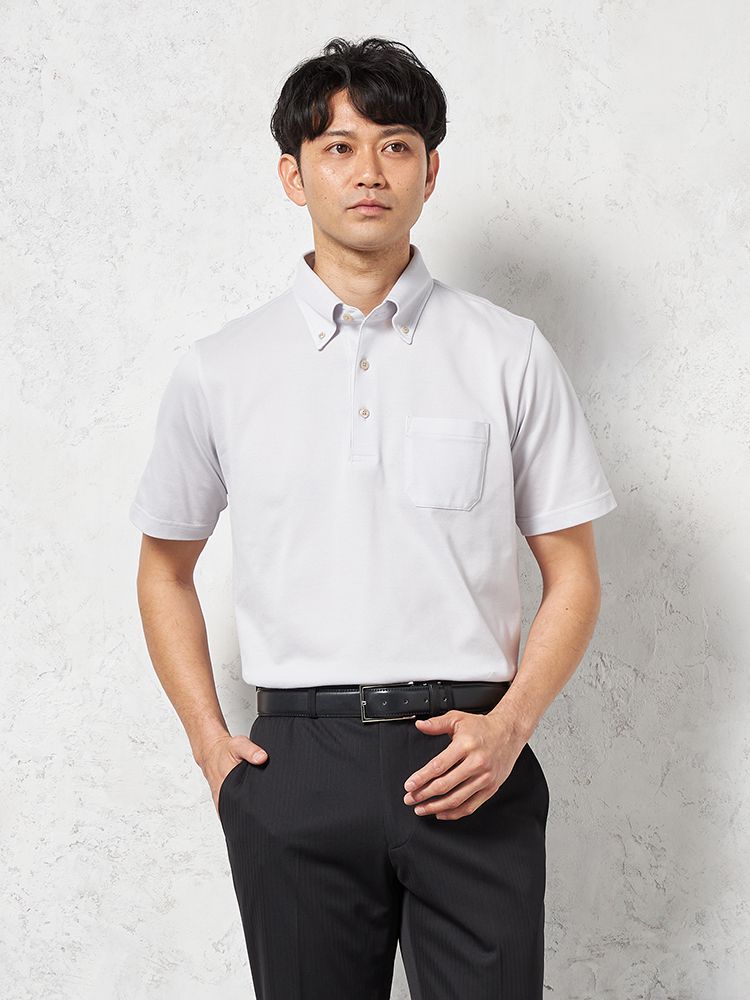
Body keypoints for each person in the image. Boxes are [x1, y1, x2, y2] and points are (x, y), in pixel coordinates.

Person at [129, 35, 617, 1000]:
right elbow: (163, 569)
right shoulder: (221, 369)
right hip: (297, 766)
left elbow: (574, 572)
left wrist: (511, 725)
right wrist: (213, 750)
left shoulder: (507, 352)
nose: (369, 172)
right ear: (293, 175)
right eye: (339, 148)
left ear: (431, 173)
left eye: (396, 146)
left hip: (469, 754)